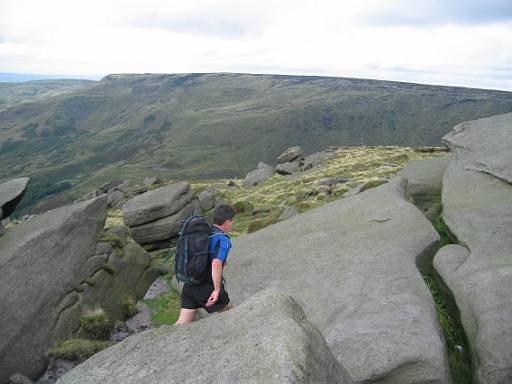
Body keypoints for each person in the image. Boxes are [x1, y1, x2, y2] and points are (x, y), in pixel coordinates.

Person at [175, 204, 236, 324]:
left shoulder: (203, 233)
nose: (233, 224)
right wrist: (217, 290)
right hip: (206, 287)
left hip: (189, 286)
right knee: (231, 317)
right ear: (228, 222)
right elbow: (216, 263)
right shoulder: (223, 239)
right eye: (233, 221)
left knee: (181, 324)